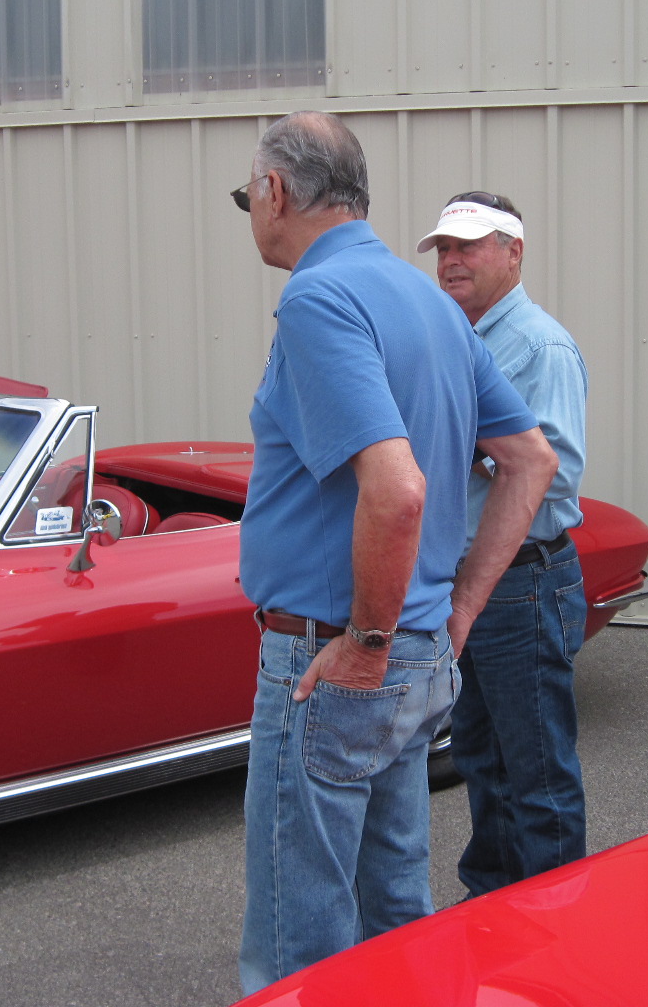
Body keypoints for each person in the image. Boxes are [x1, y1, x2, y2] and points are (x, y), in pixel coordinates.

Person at [234, 113, 558, 993]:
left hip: (338, 656)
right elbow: (531, 458)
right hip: (416, 656)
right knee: (395, 918)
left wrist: (366, 643)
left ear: (276, 193)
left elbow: (398, 489)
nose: (252, 212)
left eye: (246, 196)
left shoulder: (318, 299)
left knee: (298, 944)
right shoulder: (429, 302)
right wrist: (450, 615)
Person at [417, 191, 591, 897]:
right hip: (469, 583)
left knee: (537, 770)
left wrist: (470, 455)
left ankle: (553, 925)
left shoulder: (539, 346)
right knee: (482, 759)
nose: (454, 261)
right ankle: (490, 905)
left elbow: (554, 474)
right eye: (445, 249)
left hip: (522, 583)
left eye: (471, 246)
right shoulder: (457, 337)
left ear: (513, 253)